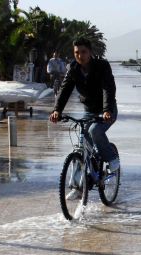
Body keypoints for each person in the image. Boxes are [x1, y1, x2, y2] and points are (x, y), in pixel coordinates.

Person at [49, 38, 119, 199]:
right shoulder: (73, 68)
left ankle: (111, 158)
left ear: (90, 52)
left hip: (107, 110)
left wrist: (107, 110)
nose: (79, 55)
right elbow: (65, 89)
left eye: (83, 52)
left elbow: (108, 88)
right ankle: (77, 187)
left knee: (95, 130)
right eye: (76, 53)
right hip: (89, 110)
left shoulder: (102, 66)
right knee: (80, 146)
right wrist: (57, 110)